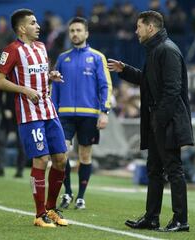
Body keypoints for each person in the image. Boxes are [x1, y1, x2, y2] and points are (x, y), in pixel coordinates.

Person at [108, 10, 194, 232]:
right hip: (159, 120)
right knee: (154, 169)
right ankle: (151, 217)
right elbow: (147, 81)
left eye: (138, 26)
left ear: (150, 27)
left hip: (168, 120)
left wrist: (160, 120)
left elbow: (172, 90)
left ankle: (180, 220)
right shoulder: (157, 49)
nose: (136, 31)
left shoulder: (167, 50)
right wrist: (124, 70)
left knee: (173, 169)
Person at [0, 8, 68, 228]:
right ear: (22, 28)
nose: (38, 26)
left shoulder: (42, 47)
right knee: (41, 160)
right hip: (29, 114)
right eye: (33, 23)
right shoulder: (11, 50)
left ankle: (52, 208)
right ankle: (39, 214)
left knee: (61, 159)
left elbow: (41, 76)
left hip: (49, 110)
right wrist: (24, 90)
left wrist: (51, 77)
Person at [52, 17, 112, 210]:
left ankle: (81, 197)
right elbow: (55, 88)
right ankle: (67, 193)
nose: (75, 34)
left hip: (89, 114)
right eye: (72, 31)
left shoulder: (97, 57)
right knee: (62, 154)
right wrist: (52, 112)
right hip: (65, 114)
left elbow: (105, 85)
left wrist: (105, 111)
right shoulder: (62, 58)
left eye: (78, 30)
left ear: (86, 33)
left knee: (85, 156)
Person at [0, 90, 26, 178]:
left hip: (19, 117)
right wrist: (4, 110)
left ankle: (20, 171)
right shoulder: (5, 80)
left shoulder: (22, 80)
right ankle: (0, 169)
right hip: (6, 118)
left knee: (21, 145)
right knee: (0, 142)